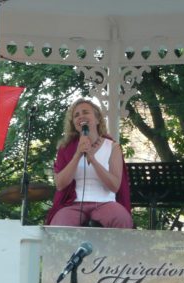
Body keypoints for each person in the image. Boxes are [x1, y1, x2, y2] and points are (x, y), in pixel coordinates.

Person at [46, 98, 133, 228]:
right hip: (73, 204)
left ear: (97, 119)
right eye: (76, 115)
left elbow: (115, 186)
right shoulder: (66, 148)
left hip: (106, 203)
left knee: (121, 219)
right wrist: (77, 155)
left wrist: (93, 159)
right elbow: (60, 184)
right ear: (74, 124)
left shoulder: (113, 147)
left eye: (85, 112)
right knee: (59, 224)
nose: (81, 116)